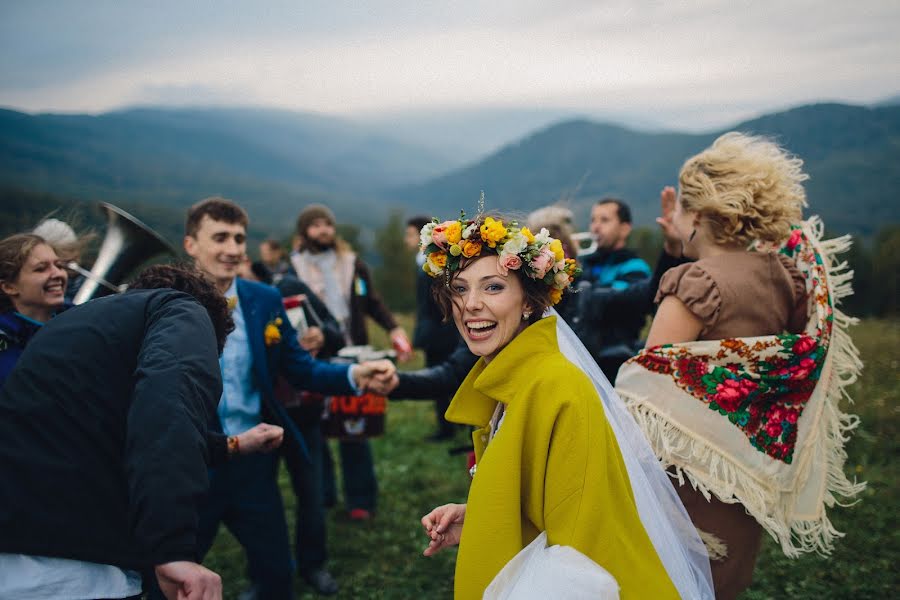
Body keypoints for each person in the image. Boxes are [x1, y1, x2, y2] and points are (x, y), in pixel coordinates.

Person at [616, 132, 865, 599]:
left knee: (674, 580)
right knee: (725, 582)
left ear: (698, 215)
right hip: (743, 473)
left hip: (684, 481)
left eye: (680, 209)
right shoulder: (784, 277)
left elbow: (647, 394)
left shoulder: (693, 283)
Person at [417, 213, 713, 599]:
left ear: (528, 301)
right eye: (459, 288)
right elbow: (547, 499)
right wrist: (480, 516)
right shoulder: (514, 380)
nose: (470, 304)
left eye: (492, 287)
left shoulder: (559, 388)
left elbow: (580, 547)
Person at [182, 197, 395, 600]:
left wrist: (355, 374)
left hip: (253, 461)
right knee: (172, 577)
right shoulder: (168, 299)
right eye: (220, 238)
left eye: (239, 238)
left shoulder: (263, 300)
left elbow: (301, 368)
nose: (232, 249)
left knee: (277, 576)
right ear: (191, 244)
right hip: (190, 461)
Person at [0, 263, 229, 600]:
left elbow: (115, 430)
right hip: (82, 572)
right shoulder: (183, 308)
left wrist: (231, 445)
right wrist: (173, 548)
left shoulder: (65, 326)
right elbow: (168, 408)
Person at [289, 203, 410, 520]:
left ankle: (360, 500)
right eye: (315, 225)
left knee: (353, 427)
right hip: (313, 357)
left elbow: (372, 302)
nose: (323, 230)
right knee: (316, 428)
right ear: (304, 232)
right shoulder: (292, 268)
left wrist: (394, 328)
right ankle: (324, 494)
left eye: (327, 224)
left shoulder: (352, 263)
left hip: (353, 353)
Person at [574, 198, 652, 380]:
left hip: (615, 360)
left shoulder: (635, 267)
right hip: (583, 358)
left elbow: (615, 301)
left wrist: (584, 284)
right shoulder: (586, 264)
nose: (595, 227)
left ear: (625, 229)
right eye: (593, 220)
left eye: (604, 220)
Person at [406, 215, 461, 441]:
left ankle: (448, 427)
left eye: (409, 235)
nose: (405, 240)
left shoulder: (434, 265)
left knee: (443, 378)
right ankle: (450, 423)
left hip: (441, 333)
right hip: (435, 331)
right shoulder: (423, 263)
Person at [0, 233, 69, 385]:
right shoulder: (4, 342)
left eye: (59, 266)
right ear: (9, 287)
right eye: (41, 269)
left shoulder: (82, 321)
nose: (57, 273)